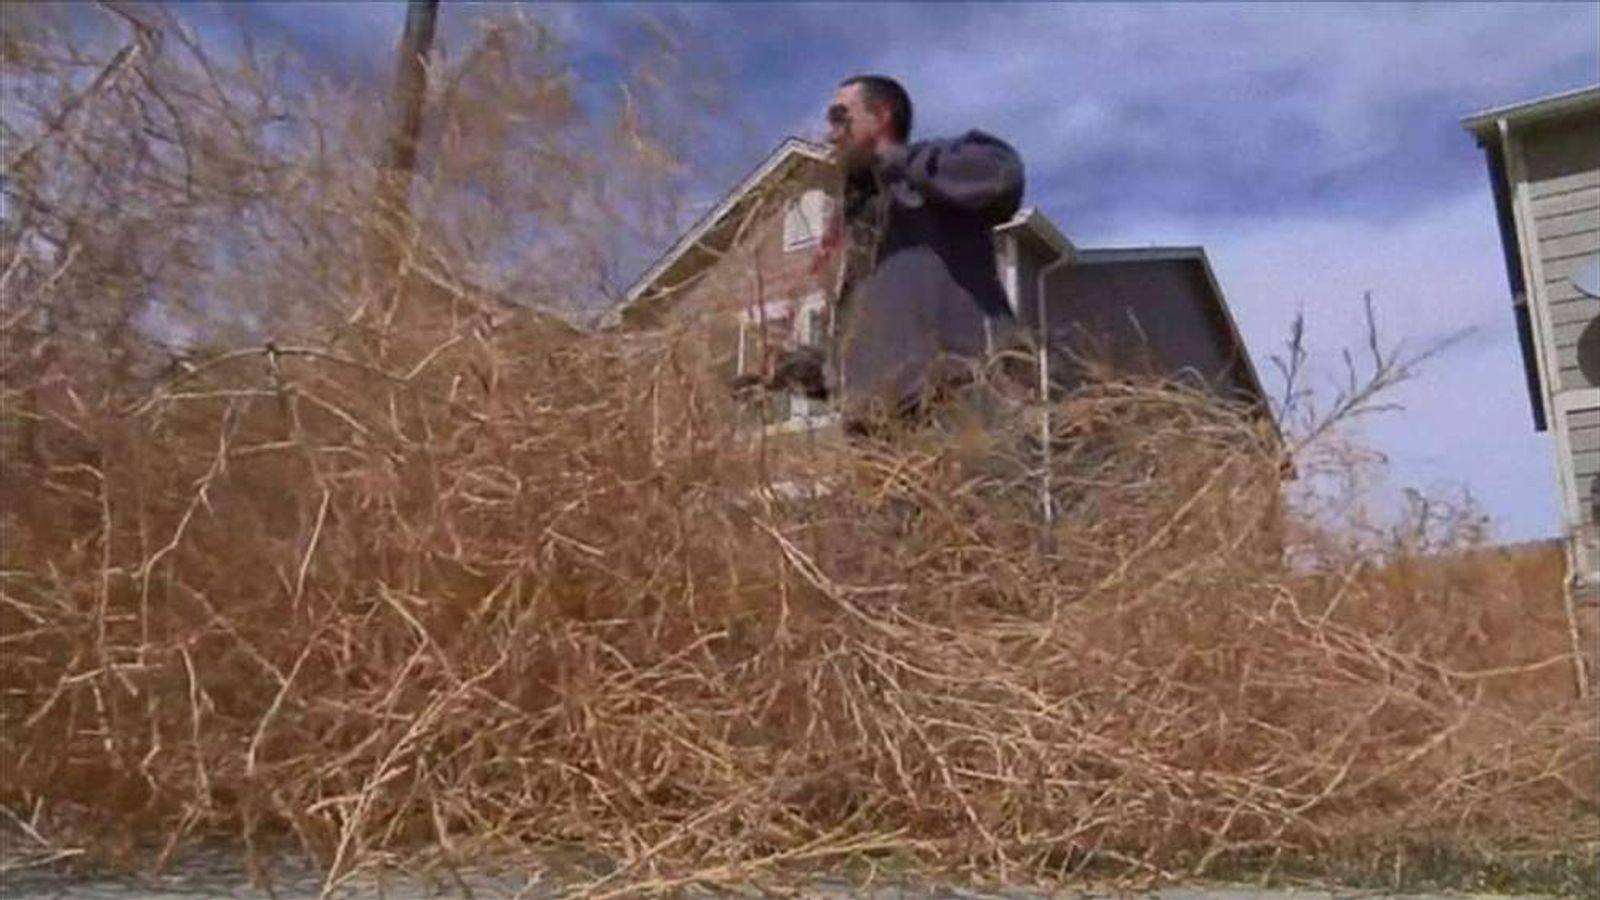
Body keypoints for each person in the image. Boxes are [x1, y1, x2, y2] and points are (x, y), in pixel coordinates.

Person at [755, 75, 1028, 439]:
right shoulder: (857, 238)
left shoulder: (933, 178)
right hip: (876, 441)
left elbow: (1002, 175)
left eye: (840, 117)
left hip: (959, 410)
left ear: (881, 116)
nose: (831, 134)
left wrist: (894, 162)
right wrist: (803, 371)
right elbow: (859, 352)